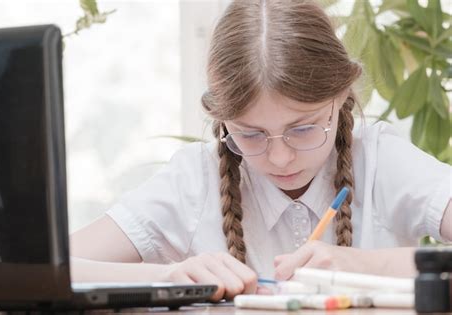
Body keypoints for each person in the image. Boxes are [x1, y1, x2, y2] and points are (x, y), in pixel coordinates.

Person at [70, 0, 452, 302]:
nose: (280, 158)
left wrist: (368, 265)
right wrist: (165, 277)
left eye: (302, 129)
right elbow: (38, 269)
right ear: (220, 119)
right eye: (250, 135)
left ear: (341, 96)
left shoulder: (381, 160)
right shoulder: (193, 180)